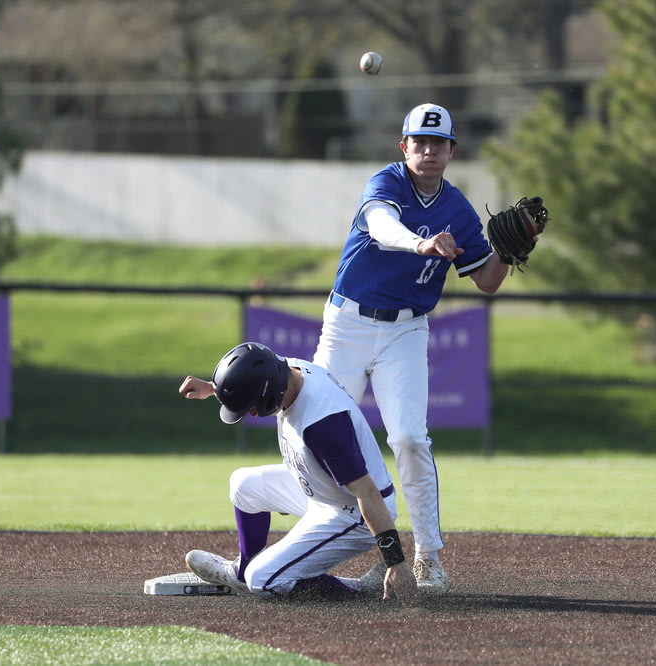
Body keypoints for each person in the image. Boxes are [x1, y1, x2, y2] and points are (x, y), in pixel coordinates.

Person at [312, 103, 525, 593]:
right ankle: (336, 548)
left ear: (452, 151)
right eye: (419, 142)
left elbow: (487, 281)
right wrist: (420, 244)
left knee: (409, 439)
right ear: (403, 147)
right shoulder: (386, 183)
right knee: (319, 436)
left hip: (406, 332)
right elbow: (383, 225)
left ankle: (429, 557)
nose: (428, 151)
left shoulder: (458, 209)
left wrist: (509, 251)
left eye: (438, 144)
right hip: (347, 324)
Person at [179, 341, 418, 601]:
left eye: (252, 406)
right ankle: (241, 572)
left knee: (262, 581)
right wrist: (217, 389)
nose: (254, 413)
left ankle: (360, 589)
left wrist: (396, 563)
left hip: (353, 512)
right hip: (322, 488)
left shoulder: (323, 424)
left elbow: (368, 493)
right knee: (243, 483)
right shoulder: (287, 370)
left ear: (268, 392)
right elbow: (257, 373)